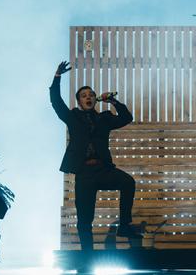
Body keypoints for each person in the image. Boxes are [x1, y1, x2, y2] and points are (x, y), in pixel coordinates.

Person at [51, 61, 141, 252]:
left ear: (95, 99)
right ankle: (87, 256)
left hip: (103, 170)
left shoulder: (104, 118)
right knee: (85, 219)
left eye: (91, 95)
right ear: (79, 101)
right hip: (84, 173)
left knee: (127, 182)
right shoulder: (72, 117)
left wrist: (113, 101)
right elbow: (56, 101)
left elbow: (126, 118)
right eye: (84, 96)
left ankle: (124, 226)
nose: (88, 97)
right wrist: (57, 77)